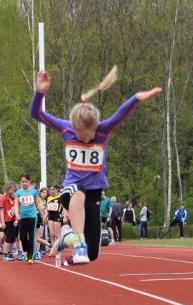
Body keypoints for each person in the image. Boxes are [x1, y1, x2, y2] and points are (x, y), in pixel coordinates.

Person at [31, 67, 161, 264]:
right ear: (75, 128)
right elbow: (37, 114)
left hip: (94, 194)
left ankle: (66, 240)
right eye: (83, 135)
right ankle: (79, 245)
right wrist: (40, 92)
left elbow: (121, 114)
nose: (88, 138)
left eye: (91, 134)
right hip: (71, 190)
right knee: (78, 193)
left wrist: (136, 98)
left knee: (92, 254)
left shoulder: (102, 130)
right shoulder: (65, 128)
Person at [15, 174, 45, 264]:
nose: (24, 183)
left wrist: (42, 215)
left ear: (29, 181)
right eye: (22, 182)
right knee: (22, 236)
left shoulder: (34, 191)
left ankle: (30, 256)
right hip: (22, 217)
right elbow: (16, 205)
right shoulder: (18, 192)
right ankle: (26, 251)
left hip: (32, 216)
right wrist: (17, 214)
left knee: (31, 236)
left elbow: (37, 205)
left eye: (26, 181)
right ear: (20, 182)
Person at [0, 182, 18, 261]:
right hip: (7, 220)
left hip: (13, 220)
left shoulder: (14, 198)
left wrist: (16, 219)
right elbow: (1, 211)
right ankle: (5, 254)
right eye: (12, 189)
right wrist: (3, 222)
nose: (13, 191)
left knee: (13, 237)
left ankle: (9, 252)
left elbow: (16, 209)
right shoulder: (3, 198)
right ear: (7, 189)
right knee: (9, 237)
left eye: (14, 189)